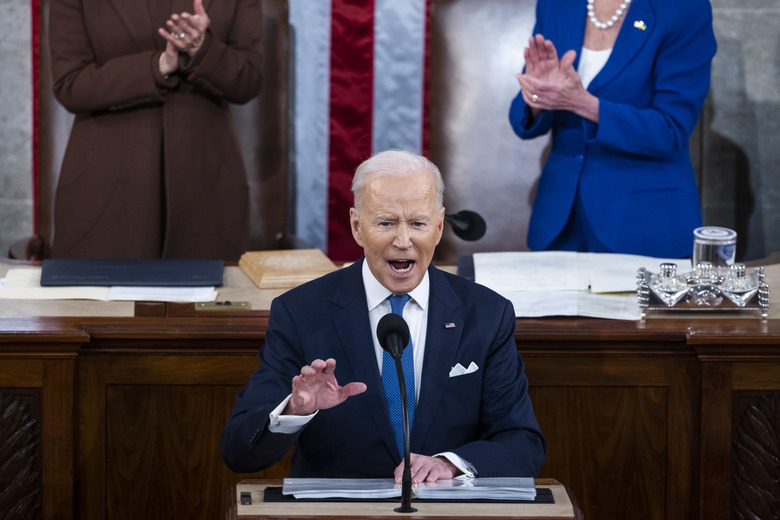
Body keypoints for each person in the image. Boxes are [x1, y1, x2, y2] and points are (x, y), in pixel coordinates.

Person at [221, 150, 545, 482]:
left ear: (437, 226)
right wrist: (293, 411)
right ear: (358, 227)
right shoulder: (300, 312)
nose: (403, 241)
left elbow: (521, 441)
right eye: (386, 223)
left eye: (418, 223)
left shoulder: (487, 313)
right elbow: (238, 452)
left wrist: (450, 464)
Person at [48, 0, 262, 260]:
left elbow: (249, 80)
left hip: (206, 193)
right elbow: (70, 84)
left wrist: (203, 49)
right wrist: (158, 65)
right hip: (105, 194)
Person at [509, 0, 717, 258]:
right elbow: (523, 116)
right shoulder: (556, 5)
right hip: (559, 224)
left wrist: (585, 105)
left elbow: (670, 129)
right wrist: (539, 96)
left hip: (641, 224)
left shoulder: (682, 8)